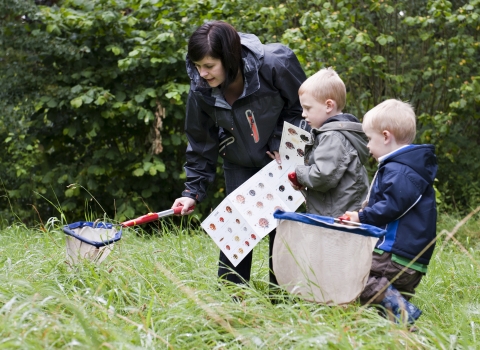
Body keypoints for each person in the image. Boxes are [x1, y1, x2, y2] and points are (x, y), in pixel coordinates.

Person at [171, 21, 309, 285]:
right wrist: (192, 192)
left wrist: (281, 142)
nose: (202, 73)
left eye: (209, 66)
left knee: (282, 232)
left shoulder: (274, 64)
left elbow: (302, 109)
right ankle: (231, 304)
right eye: (198, 65)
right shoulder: (200, 89)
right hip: (237, 161)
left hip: (281, 160)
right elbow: (201, 142)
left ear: (230, 58)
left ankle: (280, 304)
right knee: (237, 230)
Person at [345, 99, 438, 324]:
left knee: (359, 279)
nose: (367, 146)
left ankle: (406, 316)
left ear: (386, 136)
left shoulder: (400, 170)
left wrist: (362, 216)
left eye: (369, 139)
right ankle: (405, 336)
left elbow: (392, 206)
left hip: (394, 253)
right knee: (387, 314)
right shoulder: (407, 168)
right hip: (410, 256)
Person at [289, 68, 369, 217]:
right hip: (335, 210)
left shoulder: (333, 137)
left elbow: (323, 177)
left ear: (328, 106)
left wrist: (299, 174)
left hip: (338, 216)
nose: (303, 114)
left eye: (307, 108)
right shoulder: (333, 134)